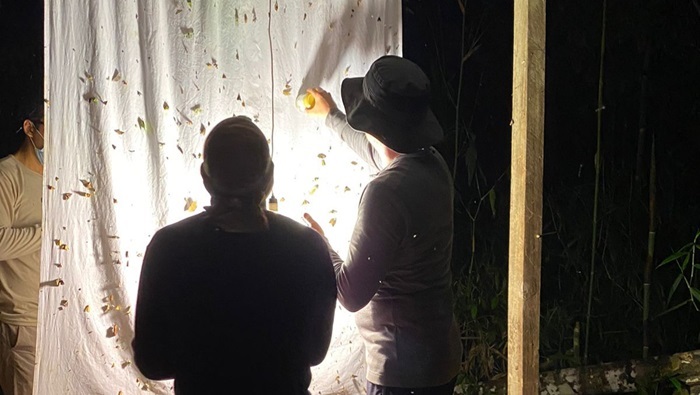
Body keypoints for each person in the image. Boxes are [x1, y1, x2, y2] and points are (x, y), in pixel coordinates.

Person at [131, 116, 337, 395]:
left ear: (205, 177)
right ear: (270, 177)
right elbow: (314, 353)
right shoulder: (307, 245)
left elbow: (152, 362)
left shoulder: (169, 246)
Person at [301, 55, 462, 395]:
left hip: (402, 373)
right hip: (440, 356)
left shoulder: (384, 193)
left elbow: (349, 293)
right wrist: (331, 117)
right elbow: (375, 150)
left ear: (374, 124)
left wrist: (318, 244)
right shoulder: (432, 164)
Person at [0, 103, 45, 395]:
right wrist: (48, 231)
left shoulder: (53, 178)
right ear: (30, 129)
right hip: (21, 325)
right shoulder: (7, 174)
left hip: (55, 316)